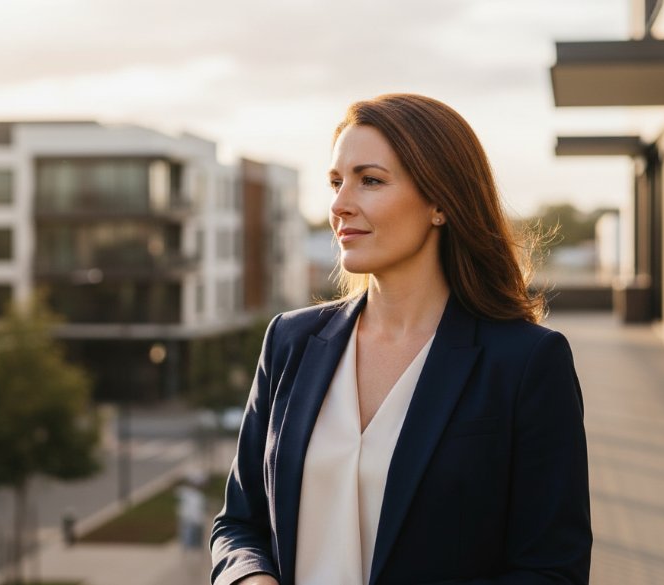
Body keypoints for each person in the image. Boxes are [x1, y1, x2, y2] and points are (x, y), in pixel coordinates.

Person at [210, 93, 591, 585]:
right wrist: (249, 580)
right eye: (335, 182)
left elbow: (551, 570)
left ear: (440, 202)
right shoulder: (290, 342)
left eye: (370, 181)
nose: (340, 204)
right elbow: (239, 524)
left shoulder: (526, 362)